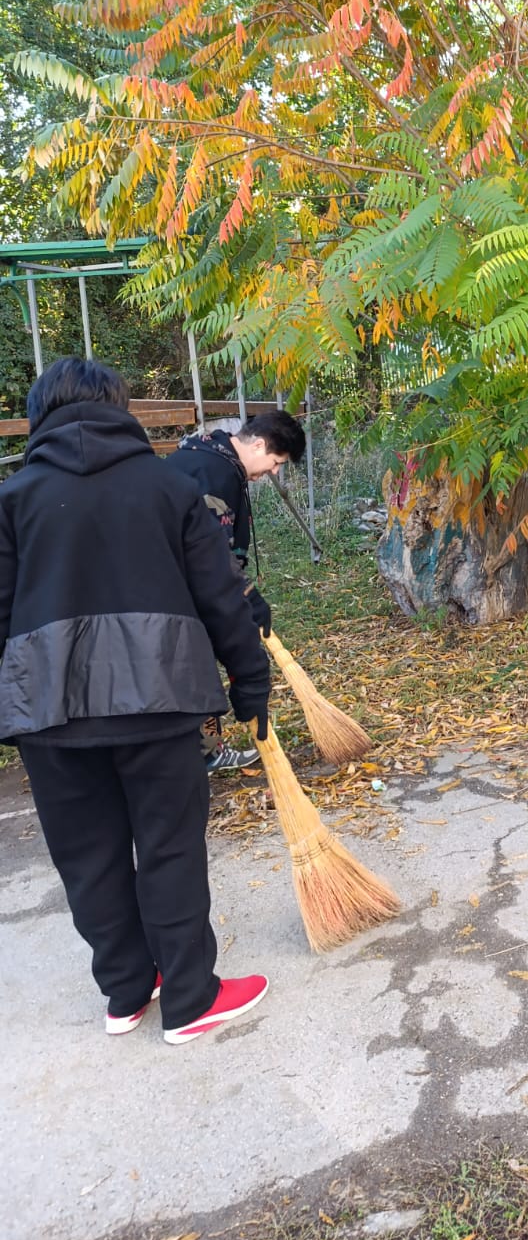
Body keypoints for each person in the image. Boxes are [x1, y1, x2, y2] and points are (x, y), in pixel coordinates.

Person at [0, 358, 272, 1043]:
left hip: (50, 712)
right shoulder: (168, 486)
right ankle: (189, 998)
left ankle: (126, 991)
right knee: (170, 847)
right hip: (161, 697)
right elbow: (221, 594)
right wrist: (250, 680)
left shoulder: (12, 499)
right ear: (119, 407)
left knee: (85, 857)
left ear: (40, 415)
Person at [164, 409, 306, 772]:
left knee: (196, 666)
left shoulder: (205, 455)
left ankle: (205, 750)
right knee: (197, 667)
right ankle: (203, 753)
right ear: (257, 444)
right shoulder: (215, 472)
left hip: (179, 584)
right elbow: (209, 551)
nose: (274, 472)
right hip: (183, 591)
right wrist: (243, 596)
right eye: (276, 462)